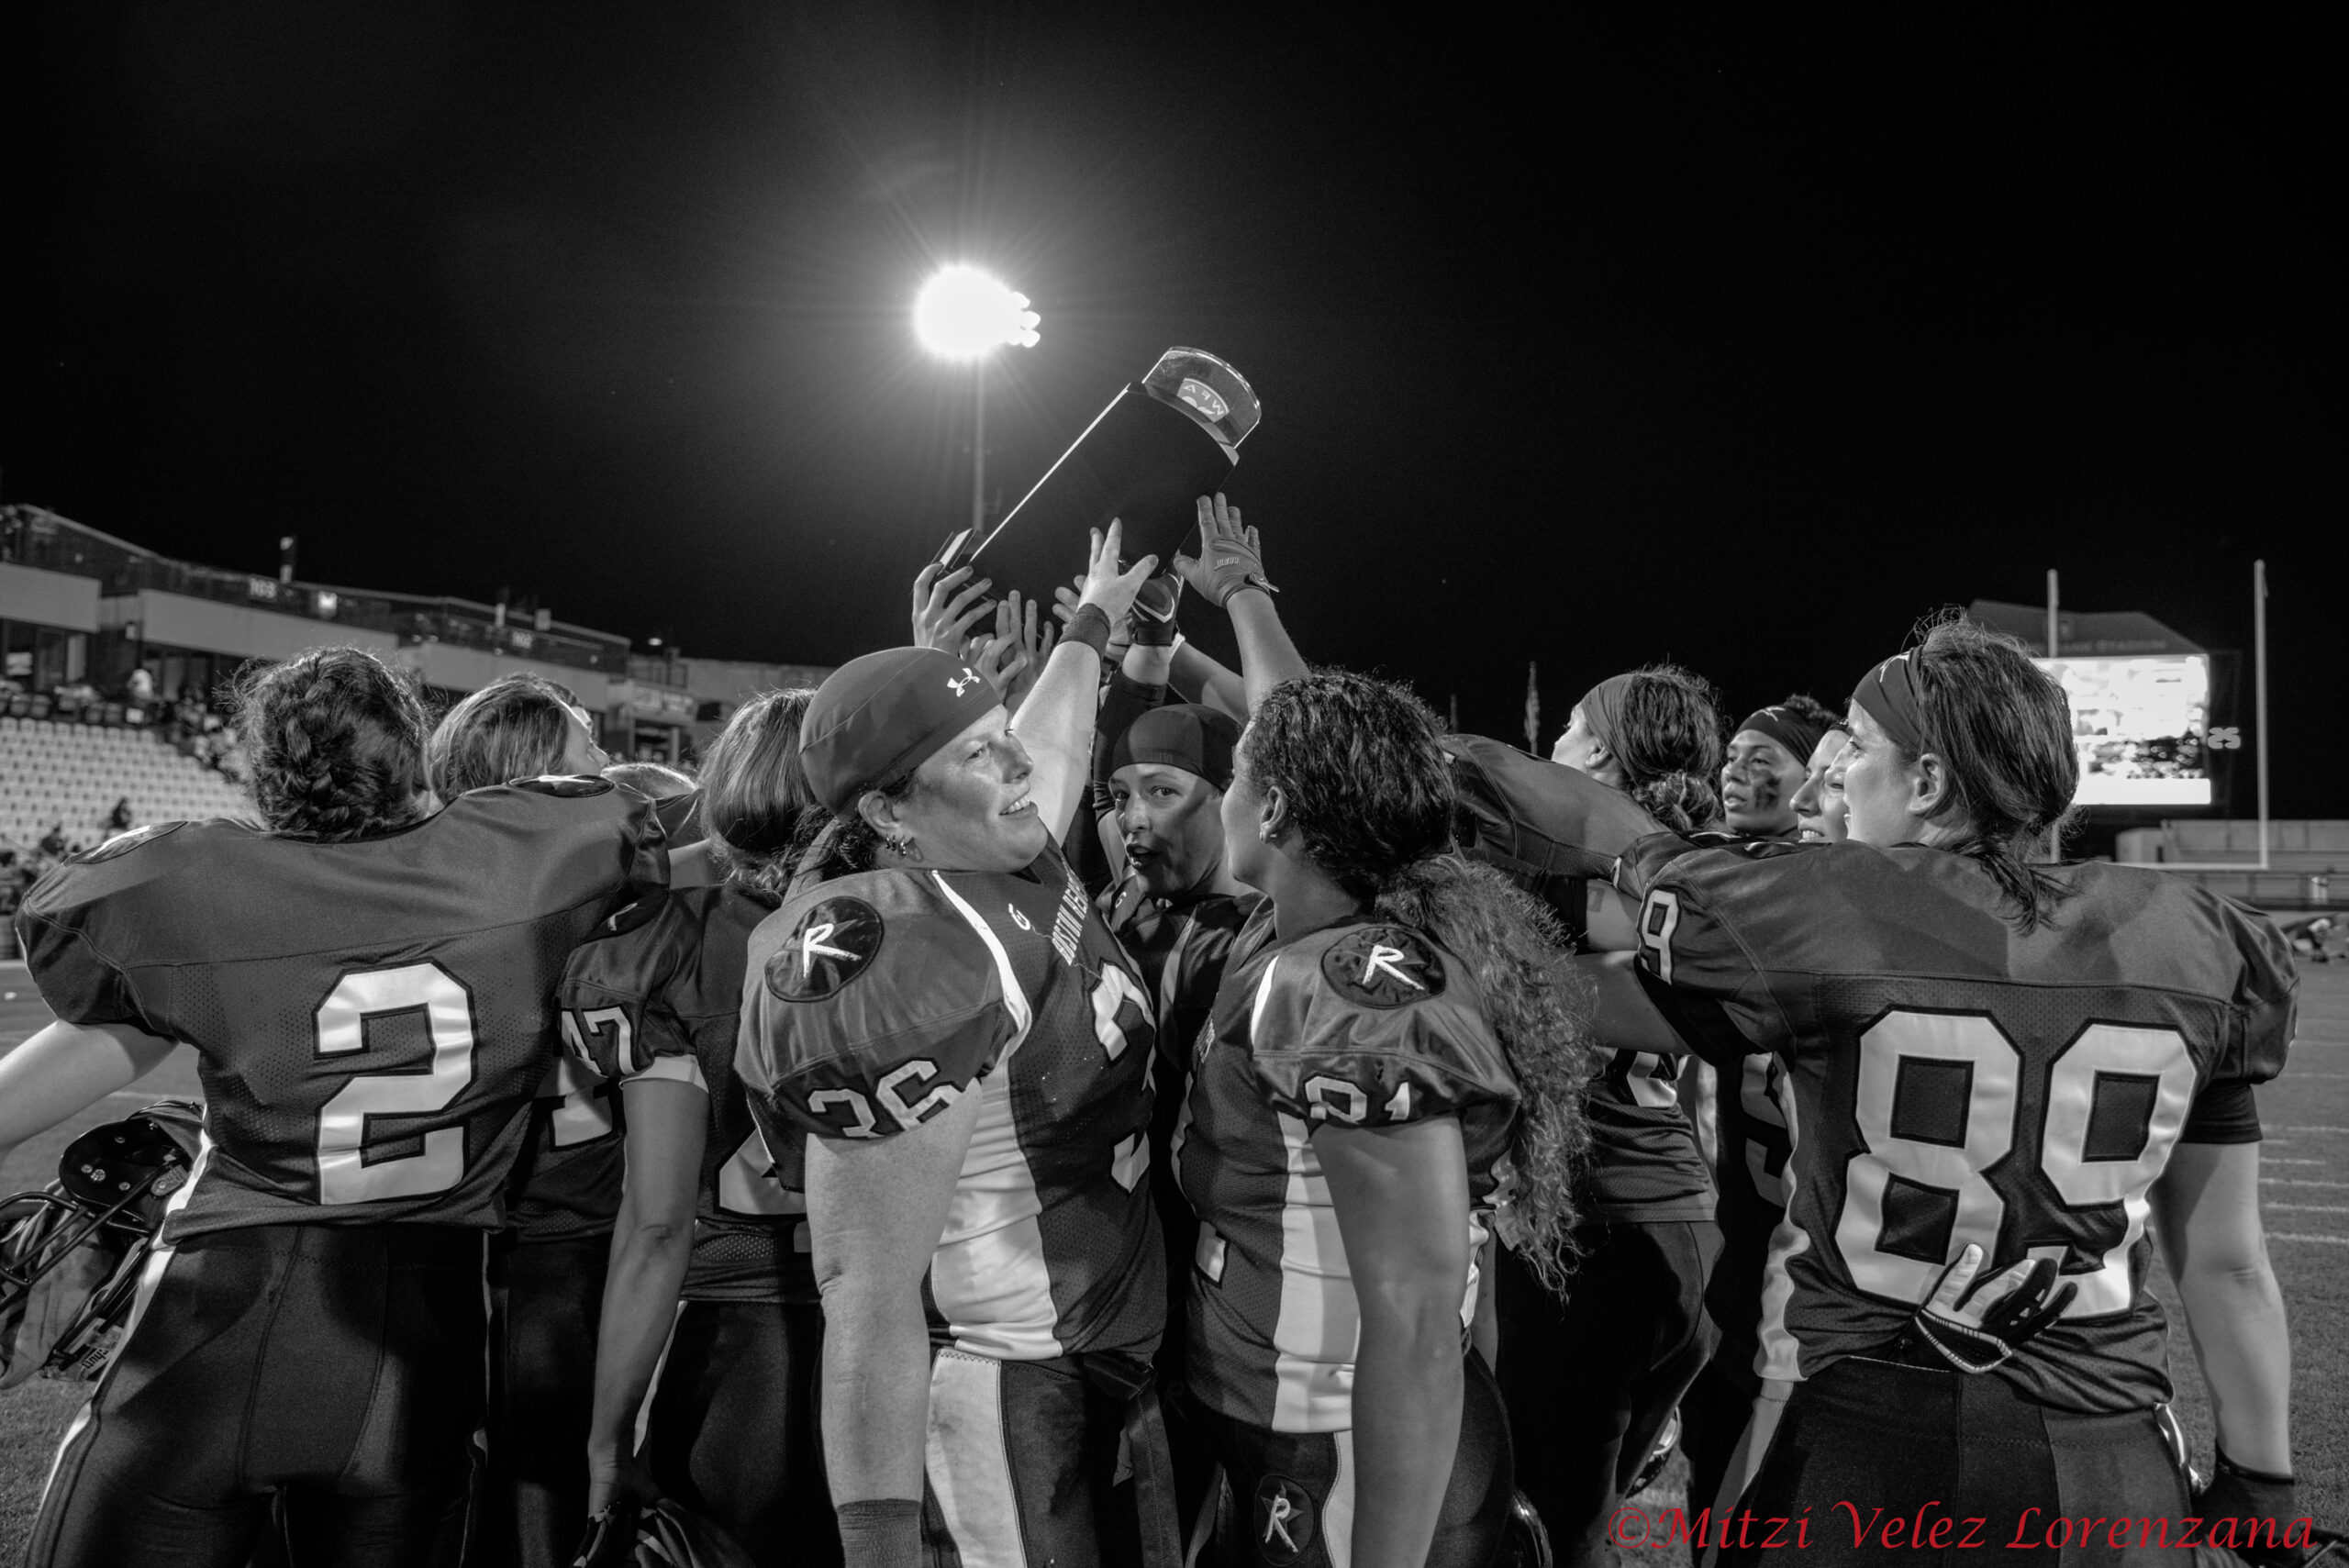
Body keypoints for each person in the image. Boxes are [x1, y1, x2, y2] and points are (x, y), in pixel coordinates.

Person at [1620, 618, 2302, 1562]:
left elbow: (1635, 908)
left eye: (1856, 747)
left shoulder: (1832, 912)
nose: (1831, 778)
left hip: (1871, 1444)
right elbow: (2226, 1262)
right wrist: (2261, 1482)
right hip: (2108, 1464)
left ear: (1929, 782)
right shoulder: (2193, 938)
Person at [0, 645, 663, 1568]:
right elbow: (681, 805)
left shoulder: (197, 879)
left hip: (218, 1317)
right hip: (427, 1347)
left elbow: (61, 920)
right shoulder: (535, 868)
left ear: (267, 768)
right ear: (411, 754)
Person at [739, 523, 1167, 1568]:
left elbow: (1054, 740)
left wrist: (1091, 623)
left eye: (999, 726)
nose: (1017, 756)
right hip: (1004, 1377)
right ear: (888, 809)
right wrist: (879, 1544)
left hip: (1097, 1346)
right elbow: (866, 1292)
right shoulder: (903, 960)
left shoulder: (1007, 849)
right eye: (979, 749)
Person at [1176, 664, 1595, 1568]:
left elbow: (1414, 1315)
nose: (1223, 798)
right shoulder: (1290, 927)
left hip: (1340, 1441)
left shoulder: (1352, 990)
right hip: (1289, 1423)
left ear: (1277, 807)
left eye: (1236, 777)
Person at [563, 690, 837, 1568]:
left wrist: (607, 1435)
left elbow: (656, 1225)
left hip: (738, 1348)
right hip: (910, 1333)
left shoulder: (672, 943)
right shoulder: (919, 925)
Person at [1464, 666, 1728, 1566]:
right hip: (1681, 1220)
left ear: (1603, 755)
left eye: (1571, 729)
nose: (1552, 749)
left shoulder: (1555, 873)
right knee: (1576, 1516)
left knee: (1533, 1526)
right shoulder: (1695, 870)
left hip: (1594, 1233)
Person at [426, 671, 621, 1568]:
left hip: (437, 1251)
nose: (611, 770)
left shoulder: (420, 904)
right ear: (542, 781)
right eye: (592, 753)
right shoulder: (621, 893)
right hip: (567, 1246)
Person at [1716, 697, 1835, 840]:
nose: (1732, 773)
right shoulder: (1713, 851)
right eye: (1731, 758)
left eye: (1759, 760)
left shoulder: (1823, 859)